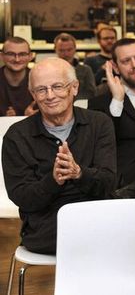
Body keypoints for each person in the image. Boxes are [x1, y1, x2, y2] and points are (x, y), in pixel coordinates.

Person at [1, 57, 115, 254]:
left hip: (96, 213)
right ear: (33, 95)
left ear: (74, 88)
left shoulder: (99, 124)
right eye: (41, 90)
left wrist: (79, 173)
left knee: (128, 227)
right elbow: (22, 197)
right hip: (47, 225)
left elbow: (108, 182)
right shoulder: (17, 136)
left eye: (57, 86)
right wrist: (53, 181)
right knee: (99, 239)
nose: (50, 95)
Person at [88, 38, 135, 201]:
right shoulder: (99, 103)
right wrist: (117, 100)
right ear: (115, 67)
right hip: (128, 172)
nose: (134, 65)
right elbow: (100, 144)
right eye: (126, 61)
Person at [54, 32, 97, 100]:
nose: (66, 53)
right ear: (55, 50)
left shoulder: (86, 70)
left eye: (69, 50)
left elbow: (91, 93)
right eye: (61, 50)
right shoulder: (49, 71)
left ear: (75, 49)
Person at [0, 37, 36, 117]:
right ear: (1, 56)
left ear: (30, 56)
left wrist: (36, 117)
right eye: (11, 54)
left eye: (22, 54)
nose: (17, 59)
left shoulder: (39, 80)